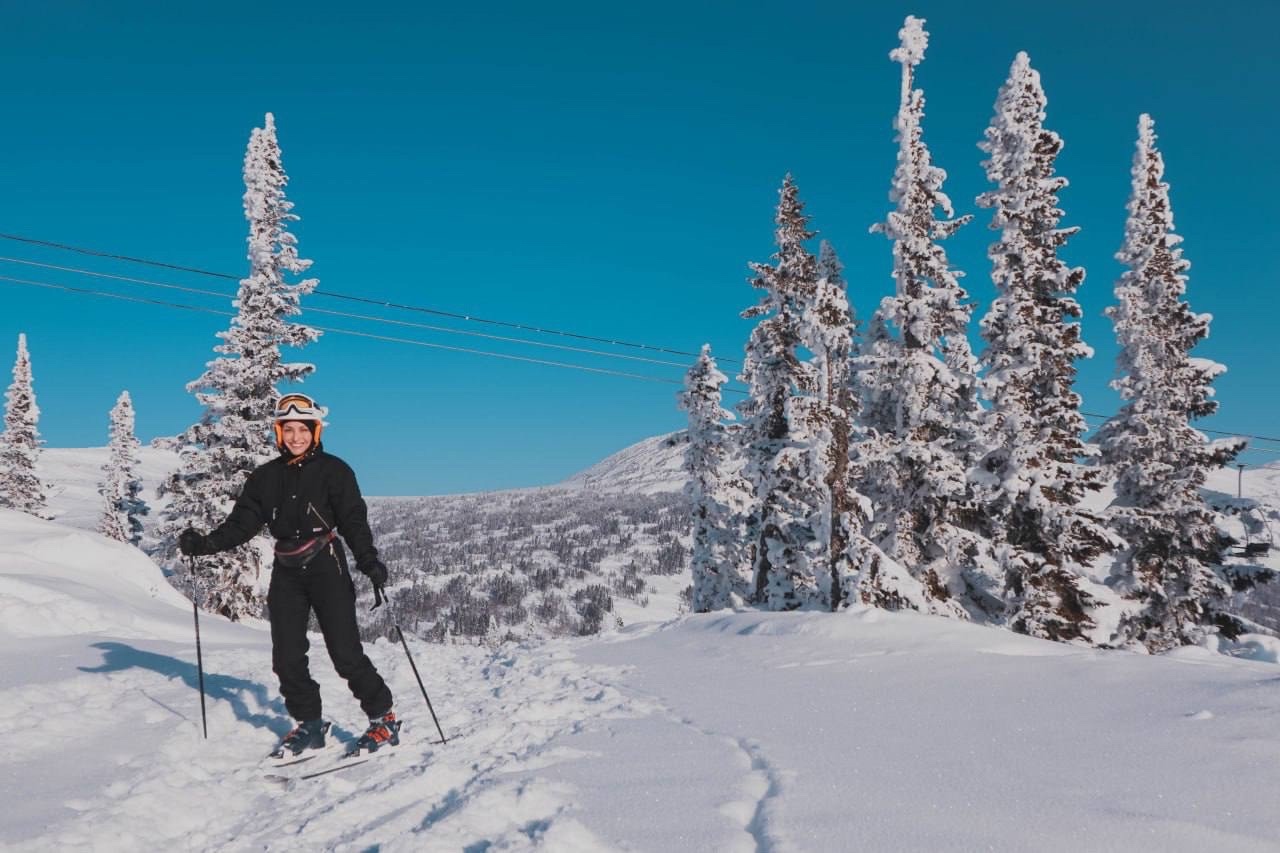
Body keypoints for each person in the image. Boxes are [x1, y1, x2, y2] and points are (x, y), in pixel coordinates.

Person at [178, 392, 400, 759]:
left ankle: (383, 717)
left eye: (303, 429)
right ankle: (310, 723)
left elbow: (353, 521)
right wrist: (205, 545)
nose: (296, 436)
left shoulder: (335, 470)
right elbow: (242, 524)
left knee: (345, 652)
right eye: (289, 429)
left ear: (316, 431)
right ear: (279, 433)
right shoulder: (266, 477)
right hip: (287, 569)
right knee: (286, 656)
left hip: (327, 563)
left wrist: (368, 559)